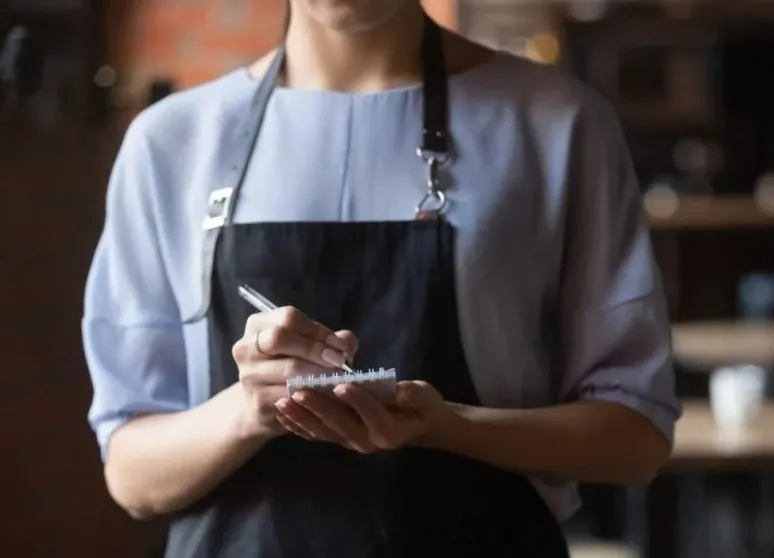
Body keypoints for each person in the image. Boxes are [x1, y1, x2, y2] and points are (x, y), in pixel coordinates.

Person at [81, 1, 680, 556]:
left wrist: (453, 426)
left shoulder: (557, 125)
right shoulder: (170, 143)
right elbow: (134, 476)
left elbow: (635, 439)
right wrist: (249, 410)